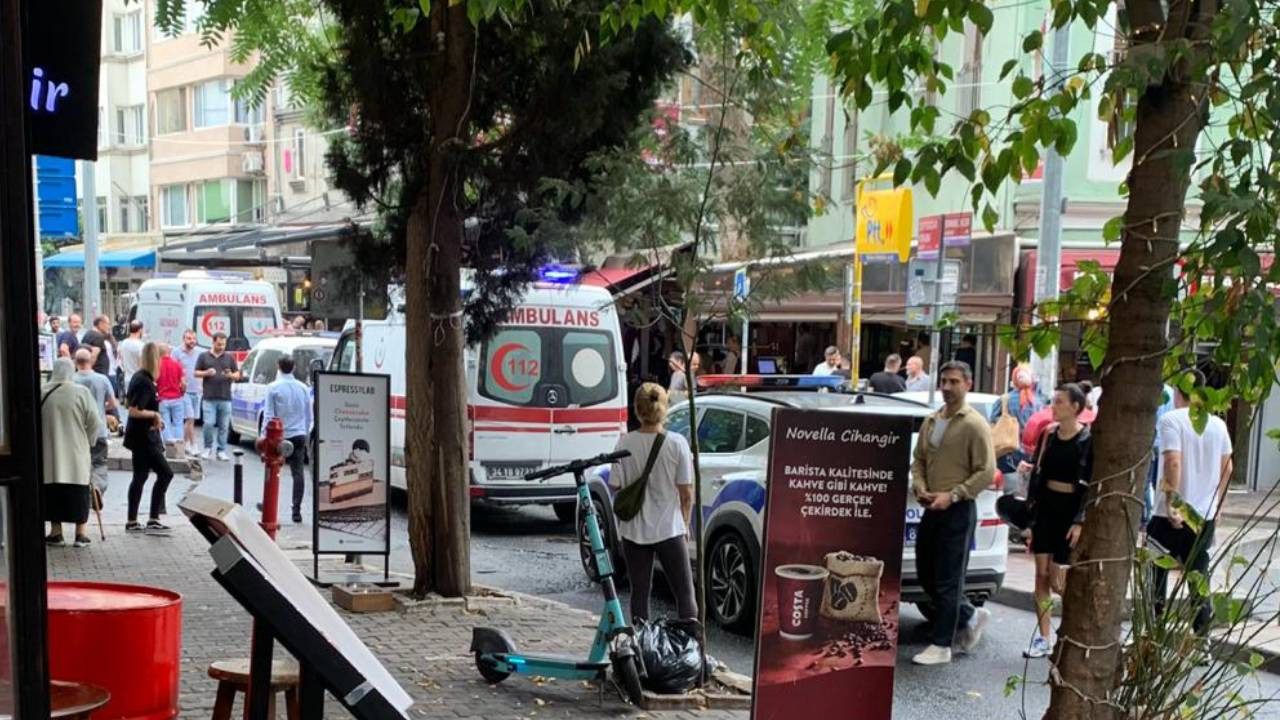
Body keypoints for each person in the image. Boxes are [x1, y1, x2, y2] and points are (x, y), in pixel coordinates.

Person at [909, 361, 995, 665]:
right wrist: (920, 486)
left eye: (954, 381)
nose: (947, 387)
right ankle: (970, 614)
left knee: (948, 580)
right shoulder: (932, 420)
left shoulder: (973, 424)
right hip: (931, 508)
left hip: (958, 511)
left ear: (967, 384)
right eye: (944, 381)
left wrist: (954, 494)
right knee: (926, 574)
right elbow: (918, 460)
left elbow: (986, 471)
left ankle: (941, 645)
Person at [1148, 370, 1232, 636]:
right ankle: (1201, 638)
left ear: (1179, 392)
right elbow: (1228, 467)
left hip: (1168, 514)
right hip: (1204, 514)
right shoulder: (1217, 424)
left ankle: (1155, 631)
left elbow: (1173, 460)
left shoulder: (1172, 419)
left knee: (1157, 574)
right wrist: (1218, 506)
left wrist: (1174, 502)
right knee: (1198, 575)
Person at [608, 383, 697, 622]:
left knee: (639, 592)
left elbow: (615, 484)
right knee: (685, 594)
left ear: (637, 409)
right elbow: (686, 493)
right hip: (670, 528)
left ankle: (641, 647)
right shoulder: (677, 443)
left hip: (634, 530)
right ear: (664, 408)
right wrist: (685, 523)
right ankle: (691, 647)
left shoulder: (624, 443)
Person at [1016, 383, 1093, 658]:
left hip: (1069, 511)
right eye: (1053, 401)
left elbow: (1090, 484)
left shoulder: (1087, 440)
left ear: (1075, 407)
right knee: (1041, 574)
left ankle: (1069, 630)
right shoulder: (1048, 434)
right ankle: (1043, 637)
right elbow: (1038, 473)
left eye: (1059, 402)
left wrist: (1080, 520)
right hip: (1046, 510)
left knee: (1060, 579)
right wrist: (1030, 518)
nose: (1053, 407)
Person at [41, 358, 103, 548]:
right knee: (79, 491)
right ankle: (80, 533)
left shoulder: (42, 391)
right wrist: (88, 441)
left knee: (52, 492)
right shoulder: (81, 392)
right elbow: (95, 422)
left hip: (49, 452)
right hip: (76, 451)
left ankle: (56, 532)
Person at [124, 342, 175, 534]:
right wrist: (155, 415)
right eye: (162, 358)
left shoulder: (139, 377)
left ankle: (133, 519)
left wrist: (155, 417)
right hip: (145, 438)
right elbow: (134, 411)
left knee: (140, 476)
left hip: (140, 436)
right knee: (165, 473)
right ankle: (153, 516)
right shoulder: (145, 382)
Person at [262, 356, 313, 523]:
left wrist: (264, 436)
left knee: (273, 470)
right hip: (298, 434)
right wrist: (305, 434)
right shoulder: (304, 388)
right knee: (298, 473)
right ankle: (296, 510)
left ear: (278, 366)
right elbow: (308, 414)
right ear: (294, 367)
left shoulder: (273, 388)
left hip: (279, 435)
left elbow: (269, 414)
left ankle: (268, 505)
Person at [74, 348, 116, 499]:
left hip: (78, 431)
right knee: (99, 463)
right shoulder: (102, 379)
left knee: (82, 464)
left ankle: (85, 492)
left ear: (75, 361)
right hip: (99, 430)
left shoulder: (72, 380)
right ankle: (97, 487)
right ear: (91, 360)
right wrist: (100, 408)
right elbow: (112, 403)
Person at [989, 365, 1045, 474]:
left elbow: (993, 420)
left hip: (1008, 451)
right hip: (1032, 453)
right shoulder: (1040, 402)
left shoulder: (1004, 399)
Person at [196, 332, 241, 461]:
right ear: (213, 342)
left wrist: (231, 376)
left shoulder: (229, 358)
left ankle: (221, 450)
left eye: (223, 344)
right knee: (208, 423)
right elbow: (196, 372)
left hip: (225, 397)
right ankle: (207, 447)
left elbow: (237, 374)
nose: (221, 346)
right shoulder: (204, 356)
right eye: (219, 343)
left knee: (224, 426)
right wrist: (206, 372)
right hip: (209, 396)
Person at [172, 330, 203, 455]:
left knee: (192, 419)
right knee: (189, 417)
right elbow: (173, 369)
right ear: (183, 339)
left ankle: (184, 444)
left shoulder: (199, 353)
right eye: (189, 338)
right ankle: (194, 444)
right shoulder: (177, 352)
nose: (191, 341)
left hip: (197, 390)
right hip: (183, 391)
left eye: (193, 338)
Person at [155, 342, 186, 456]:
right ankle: (179, 449)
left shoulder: (157, 365)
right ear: (169, 352)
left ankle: (169, 449)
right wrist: (182, 392)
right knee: (178, 423)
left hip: (163, 398)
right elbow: (183, 383)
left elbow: (155, 382)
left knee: (165, 424)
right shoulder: (177, 364)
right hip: (177, 398)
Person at [118, 320, 145, 389]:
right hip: (139, 380)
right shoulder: (141, 345)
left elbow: (121, 359)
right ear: (140, 330)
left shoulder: (123, 343)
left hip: (127, 378)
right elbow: (142, 364)